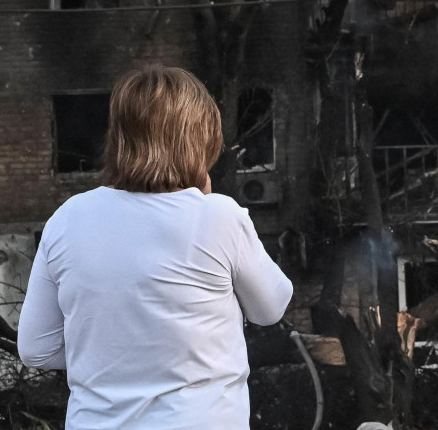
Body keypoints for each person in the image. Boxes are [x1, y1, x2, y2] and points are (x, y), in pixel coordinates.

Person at [18, 65, 293, 430]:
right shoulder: (217, 216)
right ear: (196, 141)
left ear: (120, 138)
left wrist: (118, 357)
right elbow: (270, 307)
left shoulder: (67, 220)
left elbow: (36, 348)